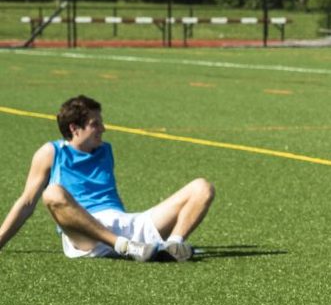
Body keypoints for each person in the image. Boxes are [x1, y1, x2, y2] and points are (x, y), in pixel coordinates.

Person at [0, 95, 215, 262]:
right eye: (95, 124)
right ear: (74, 128)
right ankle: (124, 246)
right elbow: (27, 202)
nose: (103, 129)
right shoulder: (51, 152)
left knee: (202, 187)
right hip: (87, 235)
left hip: (126, 225)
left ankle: (173, 246)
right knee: (52, 193)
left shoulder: (105, 150)